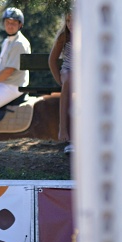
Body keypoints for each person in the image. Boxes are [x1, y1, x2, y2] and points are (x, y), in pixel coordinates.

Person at [0, 7, 31, 113]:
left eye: (14, 23)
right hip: (2, 84)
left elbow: (8, 71)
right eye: (7, 22)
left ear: (20, 25)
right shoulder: (7, 41)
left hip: (12, 86)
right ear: (4, 23)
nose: (10, 26)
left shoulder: (19, 43)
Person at [48, 13, 73, 153]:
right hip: (67, 71)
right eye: (68, 21)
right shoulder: (64, 36)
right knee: (68, 81)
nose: (70, 24)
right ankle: (63, 129)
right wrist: (59, 80)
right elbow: (52, 60)